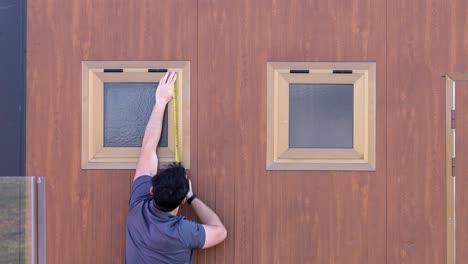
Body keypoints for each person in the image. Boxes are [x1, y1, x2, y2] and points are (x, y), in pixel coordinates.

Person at [125, 72, 227, 263]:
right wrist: (192, 198)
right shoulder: (185, 231)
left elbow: (148, 149)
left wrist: (160, 102)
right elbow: (220, 232)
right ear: (181, 201)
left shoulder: (138, 207)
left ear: (152, 190)